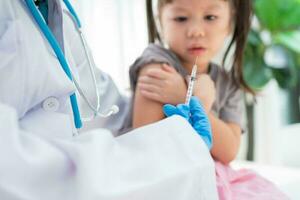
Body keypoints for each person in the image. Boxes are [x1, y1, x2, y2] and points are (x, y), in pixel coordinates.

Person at [0, 0, 220, 199]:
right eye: (180, 18)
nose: (196, 31)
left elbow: (100, 104)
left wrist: (179, 116)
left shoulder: (54, 11)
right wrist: (176, 142)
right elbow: (14, 172)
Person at [129, 0, 289, 199]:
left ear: (230, 21)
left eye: (210, 17)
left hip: (215, 177)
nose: (196, 31)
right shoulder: (156, 64)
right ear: (160, 20)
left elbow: (229, 151)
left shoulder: (228, 83)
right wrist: (194, 99)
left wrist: (191, 101)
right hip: (167, 179)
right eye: (181, 18)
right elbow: (143, 141)